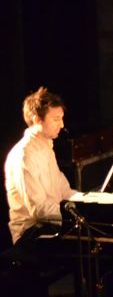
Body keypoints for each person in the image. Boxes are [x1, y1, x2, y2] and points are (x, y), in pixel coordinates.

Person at [6, 87, 74, 246]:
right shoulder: (24, 154)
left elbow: (64, 191)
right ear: (37, 119)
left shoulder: (46, 148)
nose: (62, 124)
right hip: (32, 235)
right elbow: (40, 210)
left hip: (50, 225)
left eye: (62, 118)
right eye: (56, 119)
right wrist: (75, 217)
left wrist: (94, 201)